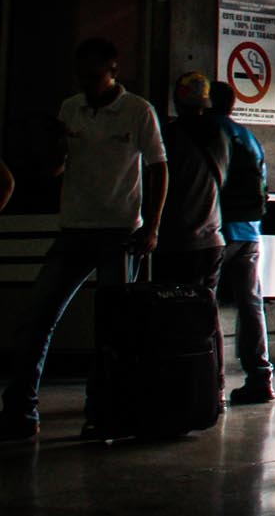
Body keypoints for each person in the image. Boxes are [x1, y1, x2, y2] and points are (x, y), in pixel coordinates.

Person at [2, 38, 168, 440]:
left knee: (113, 330)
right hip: (74, 227)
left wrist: (152, 226)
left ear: (114, 70)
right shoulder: (70, 108)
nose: (88, 84)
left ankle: (106, 410)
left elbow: (159, 167)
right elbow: (59, 168)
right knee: (37, 319)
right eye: (82, 77)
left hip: (119, 231)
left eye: (95, 76)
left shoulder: (137, 111)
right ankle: (21, 412)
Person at [211, 81, 275, 404]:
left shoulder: (207, 133)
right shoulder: (249, 138)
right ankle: (261, 377)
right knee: (251, 304)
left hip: (214, 232)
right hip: (250, 234)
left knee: (205, 304)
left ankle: (212, 383)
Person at [155, 72, 229, 292]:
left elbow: (161, 182)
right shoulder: (221, 137)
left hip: (179, 243)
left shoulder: (170, 136)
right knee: (204, 314)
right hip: (213, 240)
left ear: (177, 101)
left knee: (177, 315)